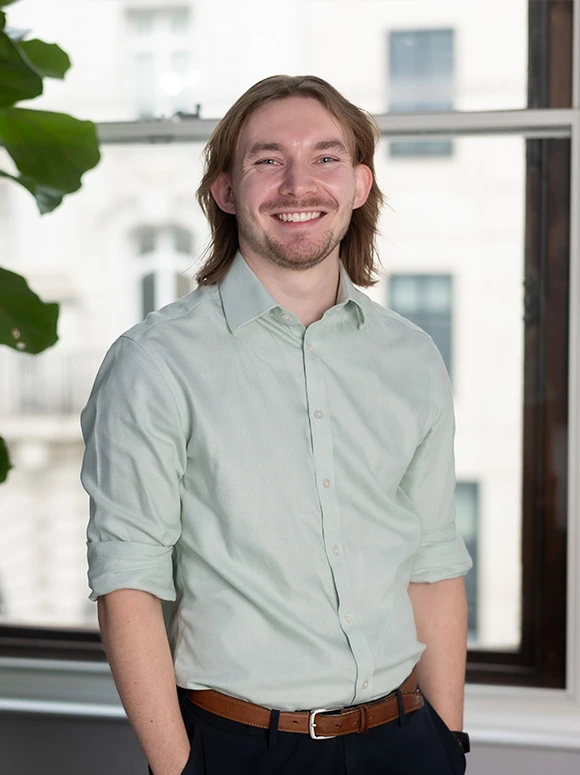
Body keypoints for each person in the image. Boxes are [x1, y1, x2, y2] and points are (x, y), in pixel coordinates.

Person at [81, 75, 473, 775]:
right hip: (238, 750)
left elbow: (433, 565)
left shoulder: (411, 356)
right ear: (225, 191)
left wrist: (449, 744)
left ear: (359, 184)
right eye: (268, 160)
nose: (299, 185)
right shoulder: (153, 363)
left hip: (408, 741)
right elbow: (127, 583)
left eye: (325, 158)